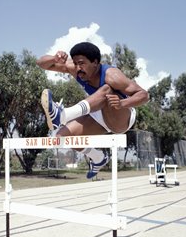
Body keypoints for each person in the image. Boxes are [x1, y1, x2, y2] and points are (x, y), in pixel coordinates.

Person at [37, 42, 149, 179]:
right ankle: (98, 158)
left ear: (95, 63)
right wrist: (54, 59)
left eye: (82, 63)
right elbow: (41, 63)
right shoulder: (75, 68)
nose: (78, 68)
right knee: (62, 136)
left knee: (107, 90)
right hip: (99, 114)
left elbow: (144, 95)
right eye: (76, 64)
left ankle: (63, 115)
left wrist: (123, 103)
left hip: (121, 115)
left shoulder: (112, 75)